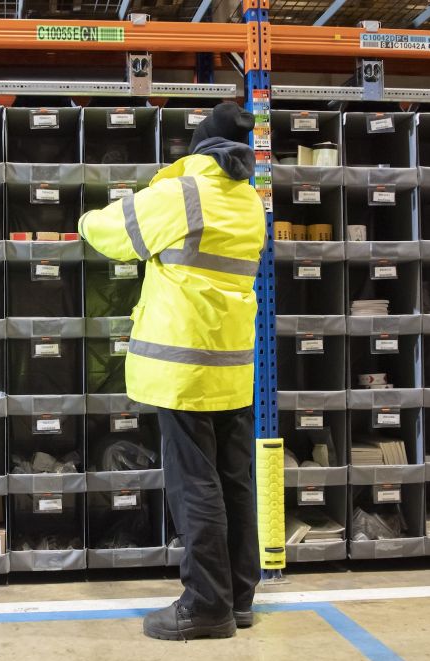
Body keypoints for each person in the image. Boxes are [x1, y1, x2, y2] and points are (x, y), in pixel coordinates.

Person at [78, 101, 265, 641]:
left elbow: (113, 233)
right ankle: (239, 595)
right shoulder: (249, 201)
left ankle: (207, 606)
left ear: (200, 148)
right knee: (234, 481)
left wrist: (86, 217)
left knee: (194, 485)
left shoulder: (184, 194)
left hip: (183, 369)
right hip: (231, 368)